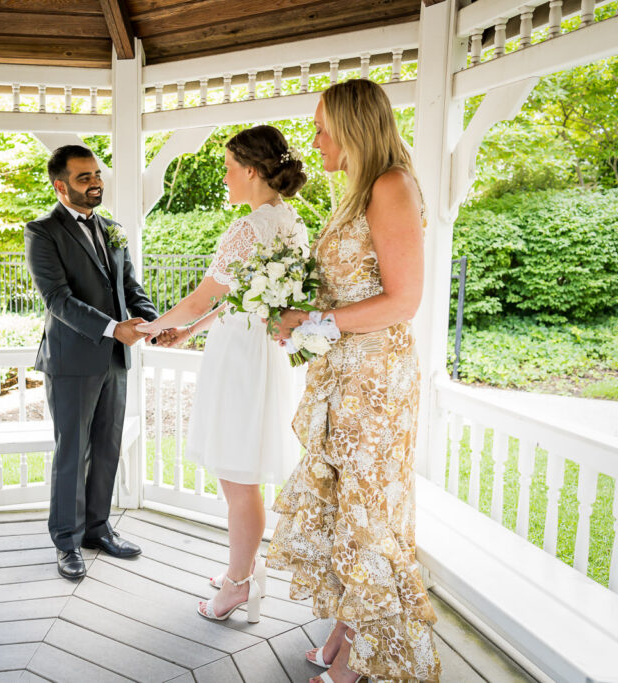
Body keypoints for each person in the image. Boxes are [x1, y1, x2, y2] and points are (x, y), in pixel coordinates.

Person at [267, 79, 441, 683]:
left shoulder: (391, 186)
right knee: (348, 506)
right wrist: (290, 309)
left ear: (352, 127)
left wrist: (316, 319)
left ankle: (373, 663)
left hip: (375, 381)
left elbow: (403, 301)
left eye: (321, 129)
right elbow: (351, 285)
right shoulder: (357, 191)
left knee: (369, 511)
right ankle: (347, 635)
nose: (313, 142)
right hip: (342, 372)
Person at [136, 125, 308, 622]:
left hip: (239, 358)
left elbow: (201, 295)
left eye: (231, 168)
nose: (225, 178)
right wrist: (190, 333)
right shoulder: (289, 221)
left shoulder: (246, 228)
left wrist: (154, 325)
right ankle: (245, 569)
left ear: (252, 171)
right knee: (244, 470)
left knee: (238, 477)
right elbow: (241, 294)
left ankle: (238, 585)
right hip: (261, 350)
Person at [25, 145, 162, 579]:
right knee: (72, 451)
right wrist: (112, 328)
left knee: (107, 447)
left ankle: (98, 530)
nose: (95, 183)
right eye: (84, 178)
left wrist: (156, 322)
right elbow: (57, 300)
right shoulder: (42, 231)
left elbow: (129, 288)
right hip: (71, 362)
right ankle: (67, 541)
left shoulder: (113, 229)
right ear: (59, 185)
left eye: (96, 174)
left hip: (116, 360)